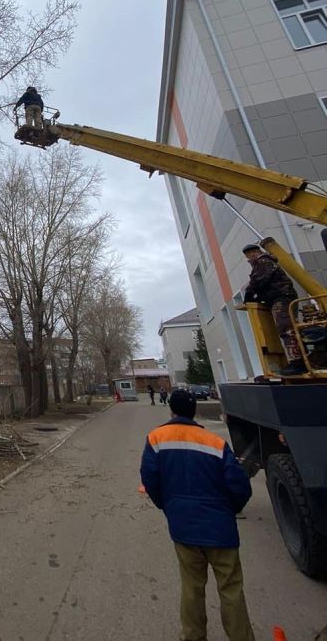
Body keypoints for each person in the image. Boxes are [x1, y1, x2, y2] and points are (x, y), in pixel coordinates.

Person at [140, 389, 254, 641]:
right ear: (194, 412)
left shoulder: (156, 438)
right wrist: (228, 510)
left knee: (192, 588)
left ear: (171, 409)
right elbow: (240, 486)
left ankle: (193, 636)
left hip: (183, 527)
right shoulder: (215, 443)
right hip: (221, 529)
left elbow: (150, 478)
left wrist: (169, 506)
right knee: (231, 589)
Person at [242, 242, 303, 376]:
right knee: (287, 327)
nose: (250, 258)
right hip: (279, 298)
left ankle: (298, 362)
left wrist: (249, 295)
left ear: (255, 253)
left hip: (281, 298)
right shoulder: (265, 262)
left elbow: (258, 281)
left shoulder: (263, 262)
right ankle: (298, 359)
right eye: (248, 256)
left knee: (286, 328)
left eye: (251, 254)